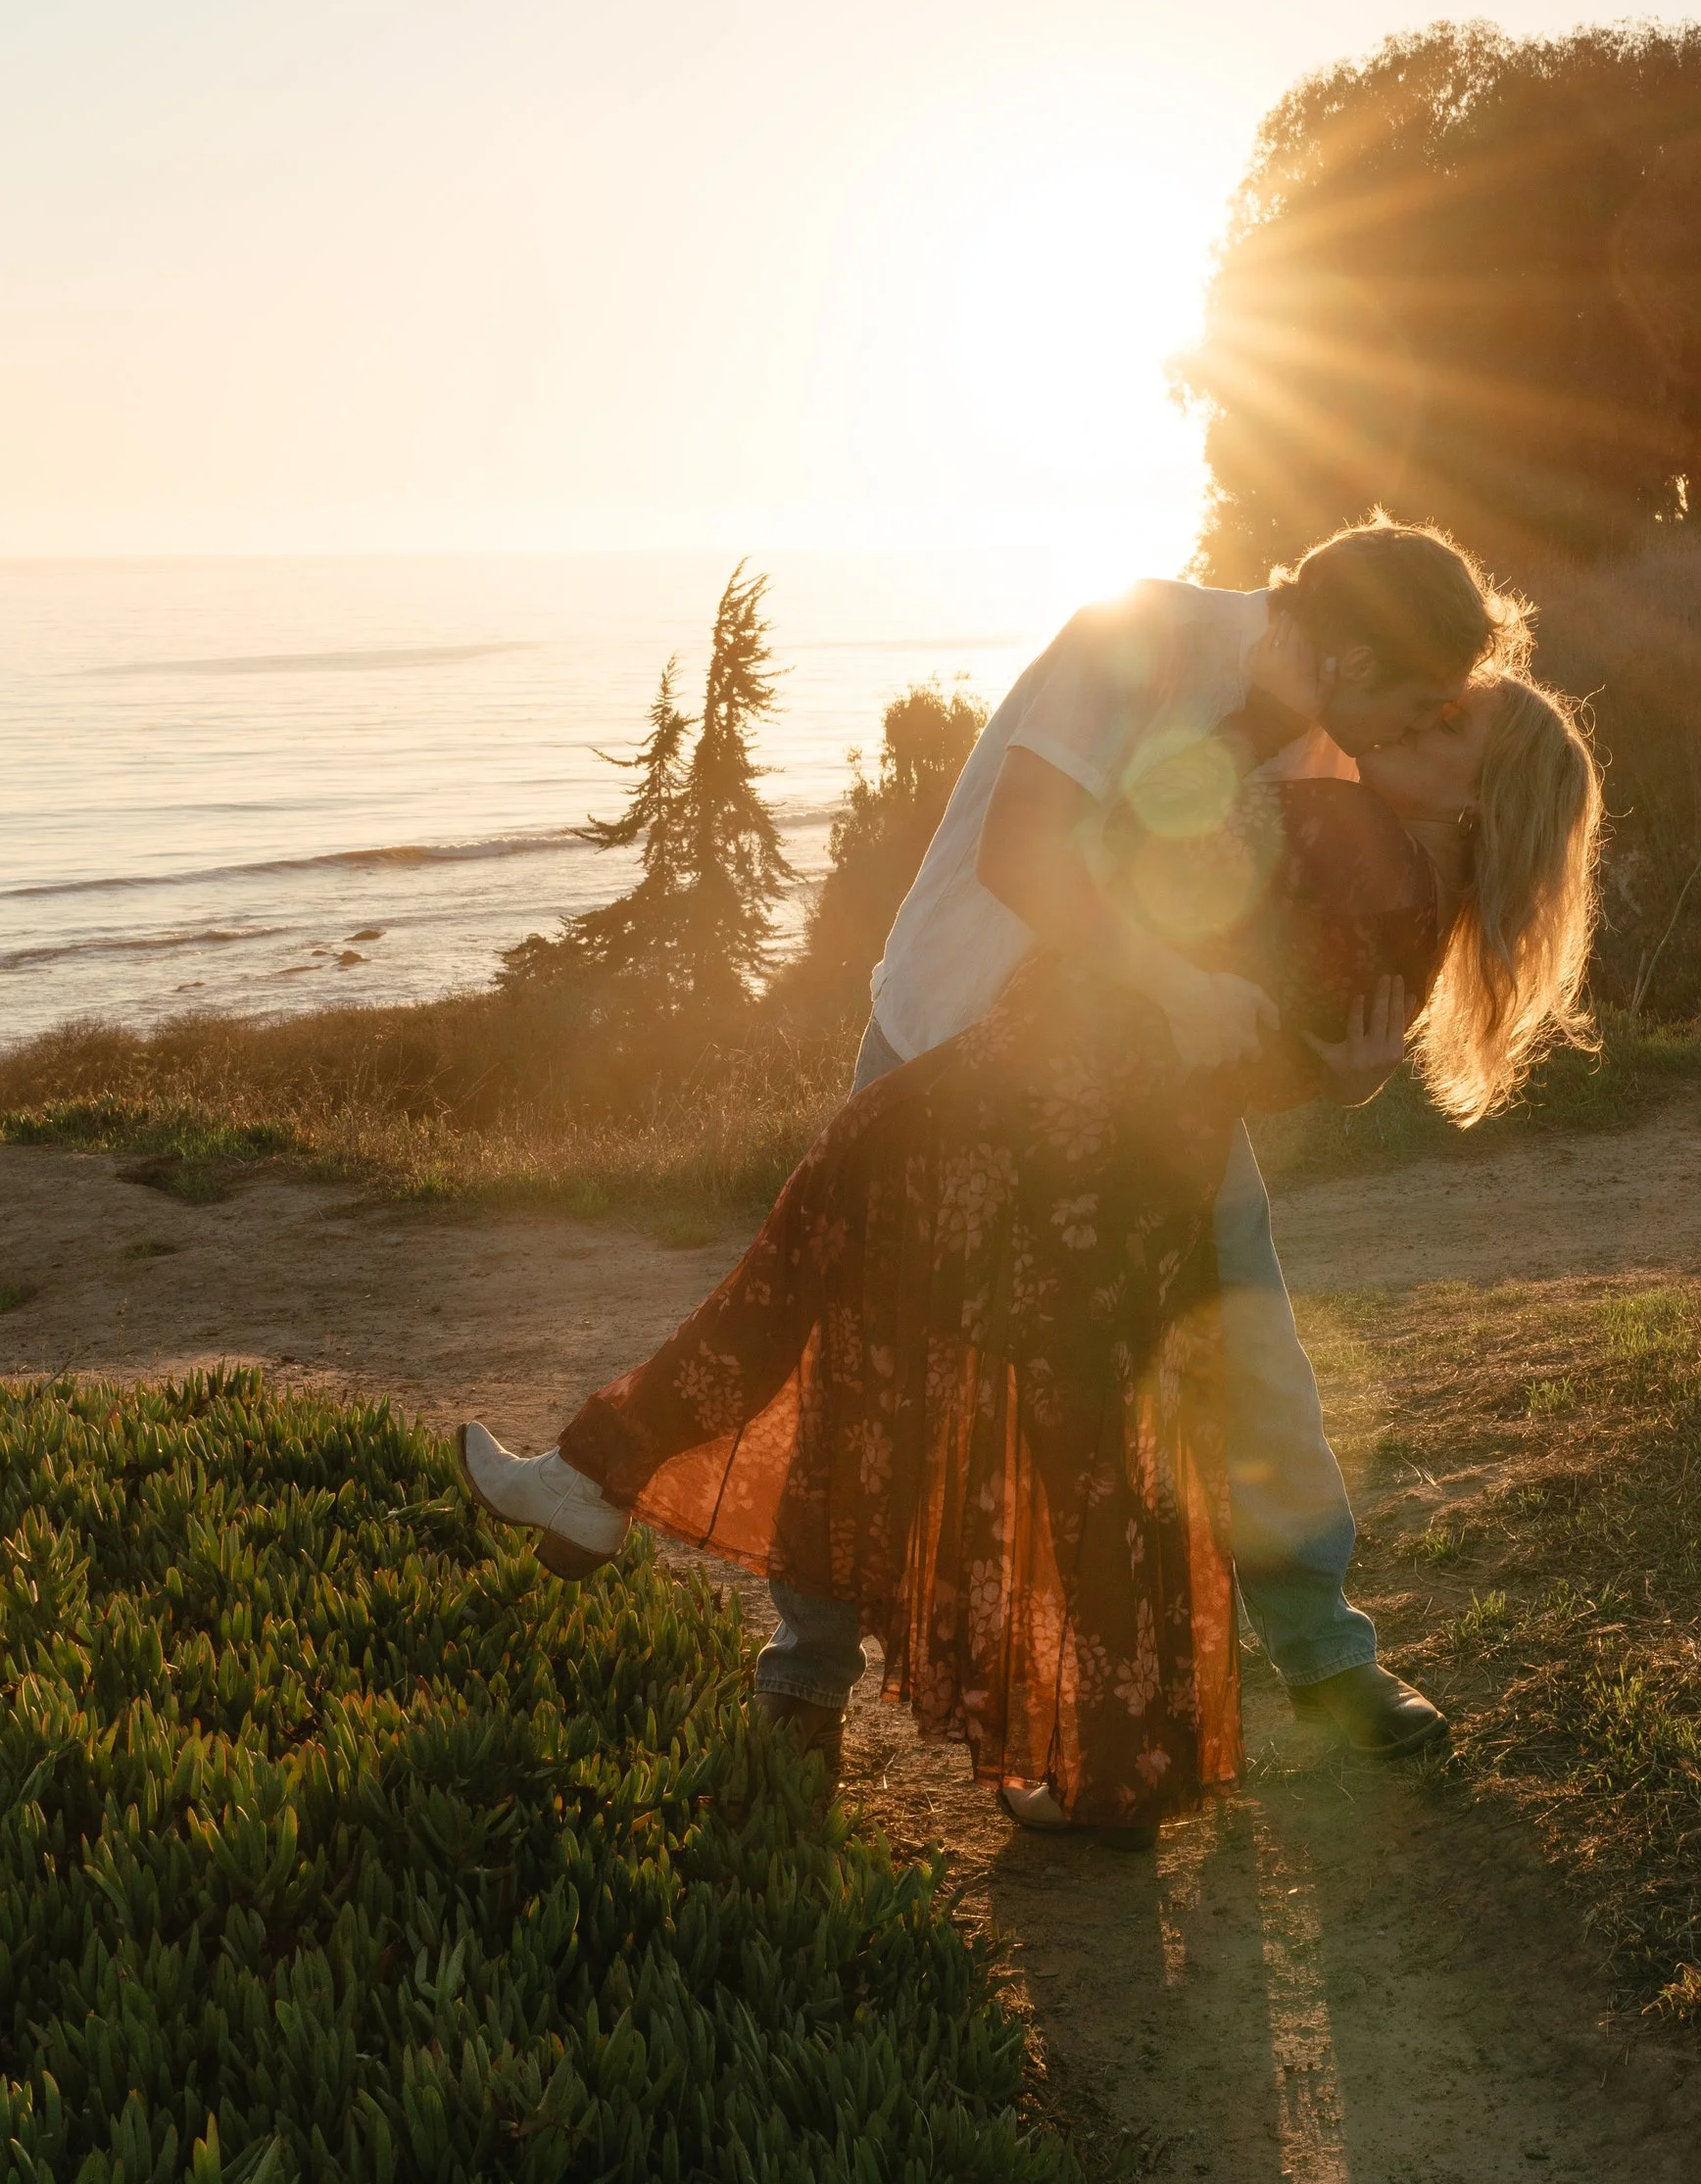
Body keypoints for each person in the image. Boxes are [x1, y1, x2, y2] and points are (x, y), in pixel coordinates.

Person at [461, 525, 1588, 1802]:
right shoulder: (1138, 640)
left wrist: (1344, 1059)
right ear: (1347, 650)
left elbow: (1344, 943)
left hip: (1134, 1094)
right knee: (859, 1362)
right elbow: (1025, 852)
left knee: (1225, 1351)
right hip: (950, 1025)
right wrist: (1186, 987)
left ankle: (1304, 1660)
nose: (1414, 729)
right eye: (1416, 700)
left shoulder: (1341, 729)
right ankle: (808, 1672)